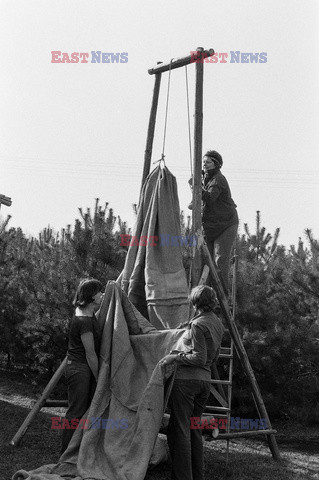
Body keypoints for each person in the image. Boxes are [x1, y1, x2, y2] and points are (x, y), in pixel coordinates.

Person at [160, 285, 224, 480]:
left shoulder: (198, 325)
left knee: (179, 430)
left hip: (186, 383)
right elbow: (214, 357)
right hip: (204, 382)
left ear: (195, 302)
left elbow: (199, 357)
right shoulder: (216, 323)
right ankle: (197, 476)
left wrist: (175, 357)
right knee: (194, 428)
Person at [60, 278, 104, 454]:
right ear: (92, 296)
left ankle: (75, 452)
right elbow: (90, 354)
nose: (102, 294)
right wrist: (99, 376)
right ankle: (65, 454)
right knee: (76, 413)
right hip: (79, 369)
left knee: (79, 411)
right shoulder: (84, 320)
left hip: (77, 366)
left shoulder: (86, 311)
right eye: (99, 292)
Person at [189, 150, 239, 294]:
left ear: (216, 165)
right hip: (211, 226)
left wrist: (195, 186)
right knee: (207, 262)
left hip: (226, 224)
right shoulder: (205, 179)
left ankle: (221, 294)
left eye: (208, 162)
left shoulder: (218, 179)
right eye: (203, 161)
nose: (204, 164)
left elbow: (210, 198)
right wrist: (196, 187)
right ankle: (207, 294)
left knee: (219, 261)